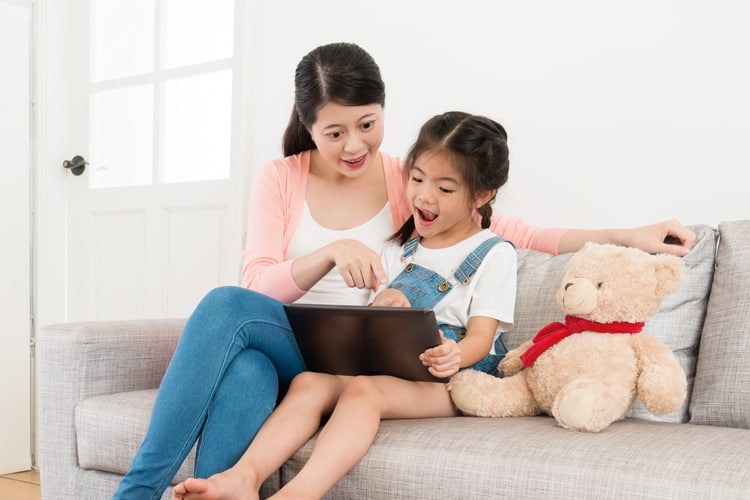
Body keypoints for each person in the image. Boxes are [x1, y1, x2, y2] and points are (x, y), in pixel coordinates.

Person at [113, 42, 696, 500]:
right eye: (334, 132)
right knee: (234, 331)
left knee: (241, 360)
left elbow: (510, 233)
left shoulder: (408, 178)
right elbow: (256, 285)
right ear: (308, 126)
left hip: (378, 360)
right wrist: (330, 252)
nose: (354, 145)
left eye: (368, 124)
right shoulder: (280, 178)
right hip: (307, 342)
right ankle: (146, 493)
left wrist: (626, 235)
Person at [173, 111, 518, 499]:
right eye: (417, 179)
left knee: (364, 392)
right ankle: (244, 477)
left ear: (482, 195)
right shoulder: (396, 251)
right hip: (397, 365)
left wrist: (453, 354)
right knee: (309, 382)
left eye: (445, 189)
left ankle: (298, 494)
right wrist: (387, 305)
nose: (424, 196)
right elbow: (373, 326)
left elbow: (482, 338)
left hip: (456, 377)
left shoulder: (493, 253)